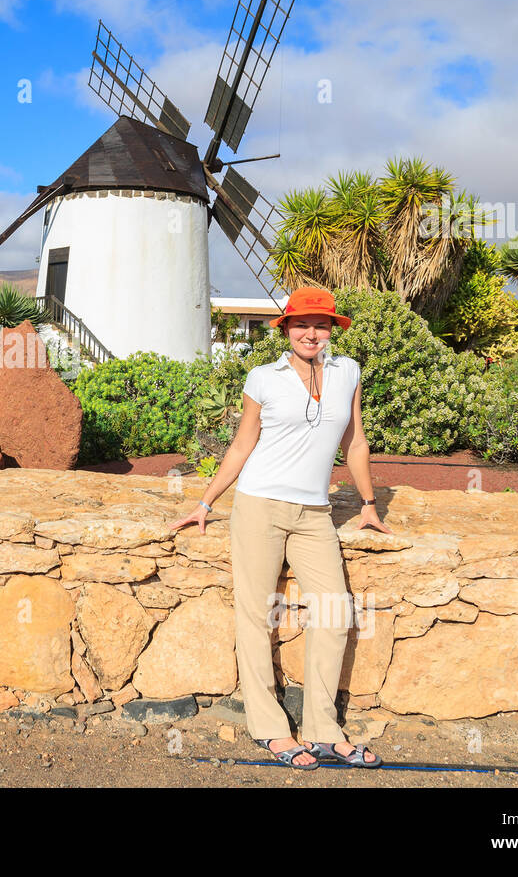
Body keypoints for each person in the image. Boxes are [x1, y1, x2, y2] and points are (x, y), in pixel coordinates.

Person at [168, 287, 393, 770]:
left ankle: (322, 730)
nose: (311, 333)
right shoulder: (263, 378)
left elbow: (354, 441)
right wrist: (205, 501)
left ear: (332, 329)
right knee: (254, 616)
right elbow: (241, 445)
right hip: (259, 507)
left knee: (333, 613)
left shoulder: (347, 372)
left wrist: (370, 504)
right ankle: (270, 730)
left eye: (321, 324)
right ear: (287, 330)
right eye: (301, 325)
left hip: (314, 513)